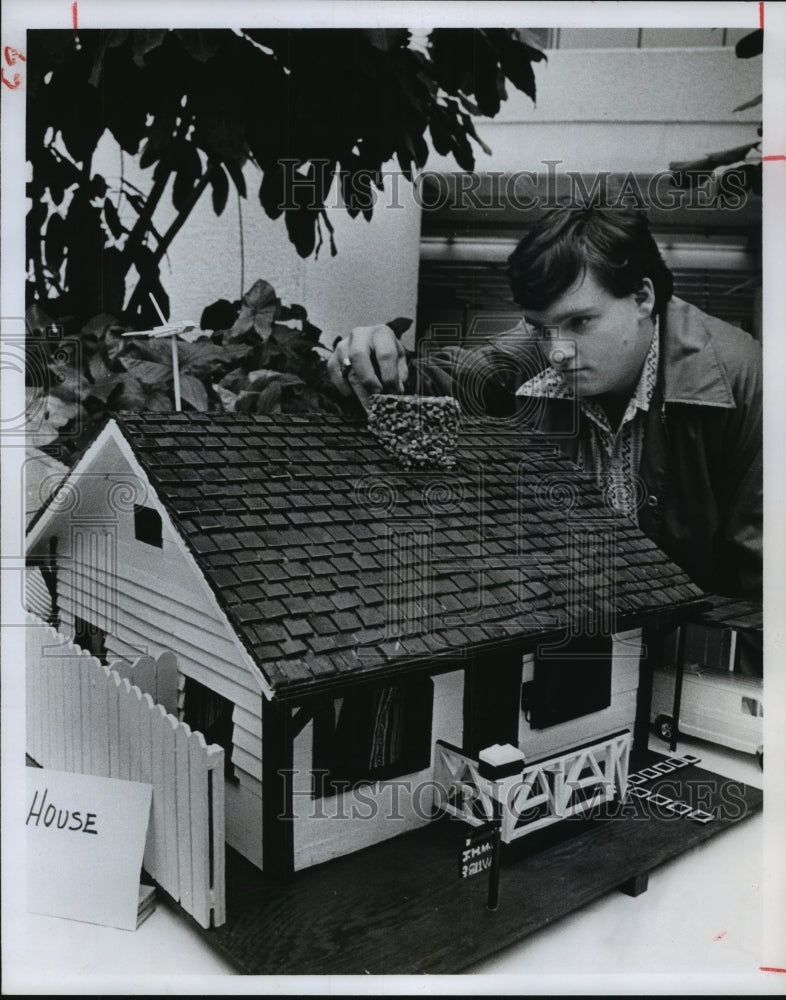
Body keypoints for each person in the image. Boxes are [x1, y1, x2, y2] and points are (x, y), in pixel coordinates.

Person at [328, 207, 762, 620]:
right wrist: (374, 359)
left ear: (642, 297)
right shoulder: (539, 350)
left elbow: (762, 583)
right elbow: (446, 381)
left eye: (581, 323)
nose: (556, 351)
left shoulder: (749, 382)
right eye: (540, 328)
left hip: (696, 662)